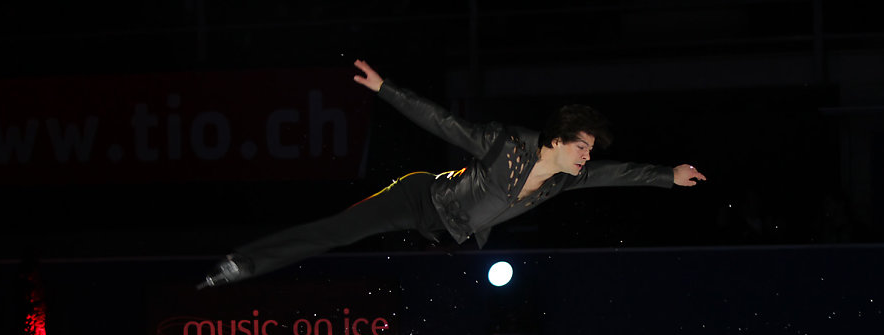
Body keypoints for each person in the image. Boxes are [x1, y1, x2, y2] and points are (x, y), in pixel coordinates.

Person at [197, 60, 706, 289]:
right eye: (581, 147)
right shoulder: (506, 142)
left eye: (589, 150)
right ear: (557, 138)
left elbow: (619, 174)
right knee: (339, 230)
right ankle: (241, 264)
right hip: (421, 200)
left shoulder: (565, 179)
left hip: (455, 235)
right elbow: (442, 120)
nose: (586, 158)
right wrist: (385, 89)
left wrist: (668, 175)